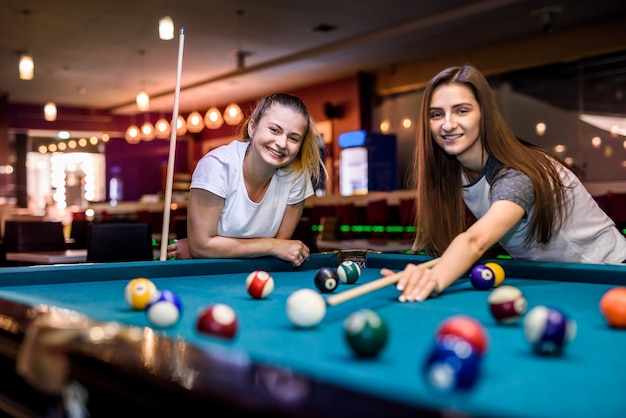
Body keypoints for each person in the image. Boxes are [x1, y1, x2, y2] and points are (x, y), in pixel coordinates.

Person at [383, 64, 626, 302]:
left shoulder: (516, 173)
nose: (447, 124)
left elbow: (475, 241)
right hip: (561, 282)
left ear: (484, 114)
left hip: (612, 274)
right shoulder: (453, 171)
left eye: (461, 110)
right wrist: (419, 269)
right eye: (437, 114)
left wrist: (434, 279)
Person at [167, 93, 325, 267]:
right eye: (274, 130)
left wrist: (210, 246)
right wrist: (270, 245)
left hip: (261, 273)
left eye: (293, 138)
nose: (282, 143)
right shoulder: (217, 166)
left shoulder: (297, 175)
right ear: (252, 128)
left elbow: (282, 247)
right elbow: (202, 247)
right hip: (206, 274)